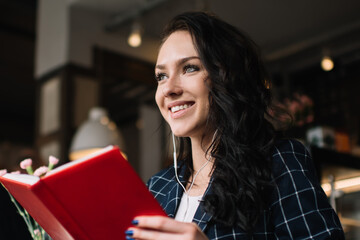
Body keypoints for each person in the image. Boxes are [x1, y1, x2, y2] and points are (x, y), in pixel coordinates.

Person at [125, 12, 345, 239]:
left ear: (227, 78)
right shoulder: (157, 187)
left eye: (190, 68)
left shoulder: (280, 162)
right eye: (161, 76)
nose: (169, 89)